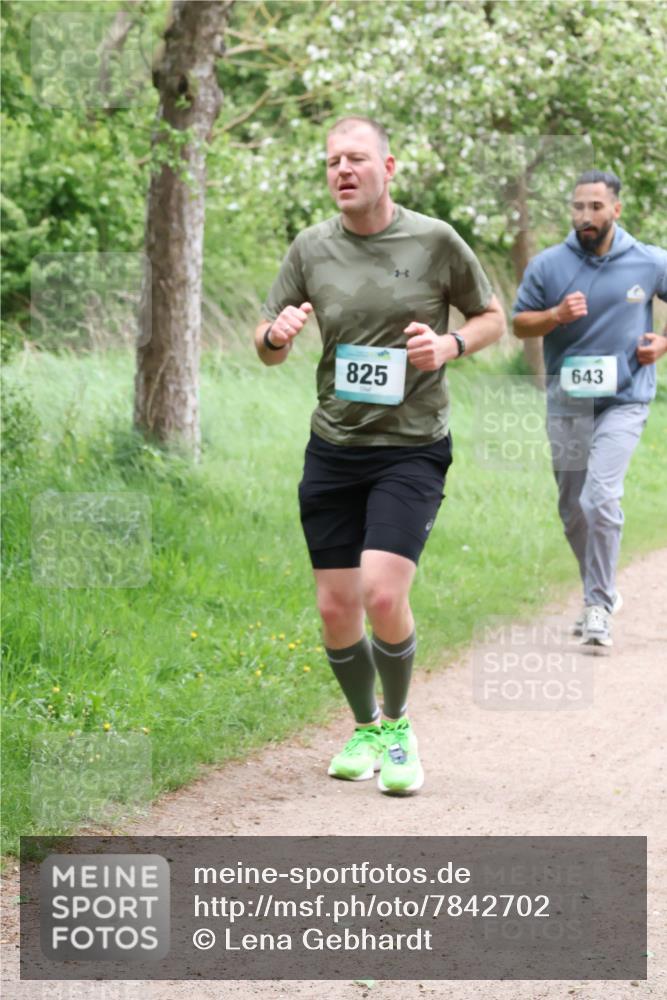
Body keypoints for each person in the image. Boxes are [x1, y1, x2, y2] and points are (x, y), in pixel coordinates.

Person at [255, 116, 505, 794]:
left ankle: (397, 727)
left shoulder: (433, 241)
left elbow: (491, 316)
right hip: (334, 447)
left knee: (381, 589)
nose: (342, 170)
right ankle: (364, 726)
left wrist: (449, 346)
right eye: (333, 160)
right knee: (336, 610)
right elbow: (267, 343)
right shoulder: (310, 248)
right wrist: (275, 335)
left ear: (386, 168)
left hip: (411, 447)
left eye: (356, 159)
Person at [513, 169, 667, 647]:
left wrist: (662, 343)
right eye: (579, 207)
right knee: (572, 510)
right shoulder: (549, 266)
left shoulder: (648, 261)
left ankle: (598, 605)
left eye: (596, 207)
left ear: (616, 210)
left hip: (625, 399)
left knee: (599, 498)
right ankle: (597, 589)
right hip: (567, 404)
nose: (586, 215)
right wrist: (555, 316)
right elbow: (519, 325)